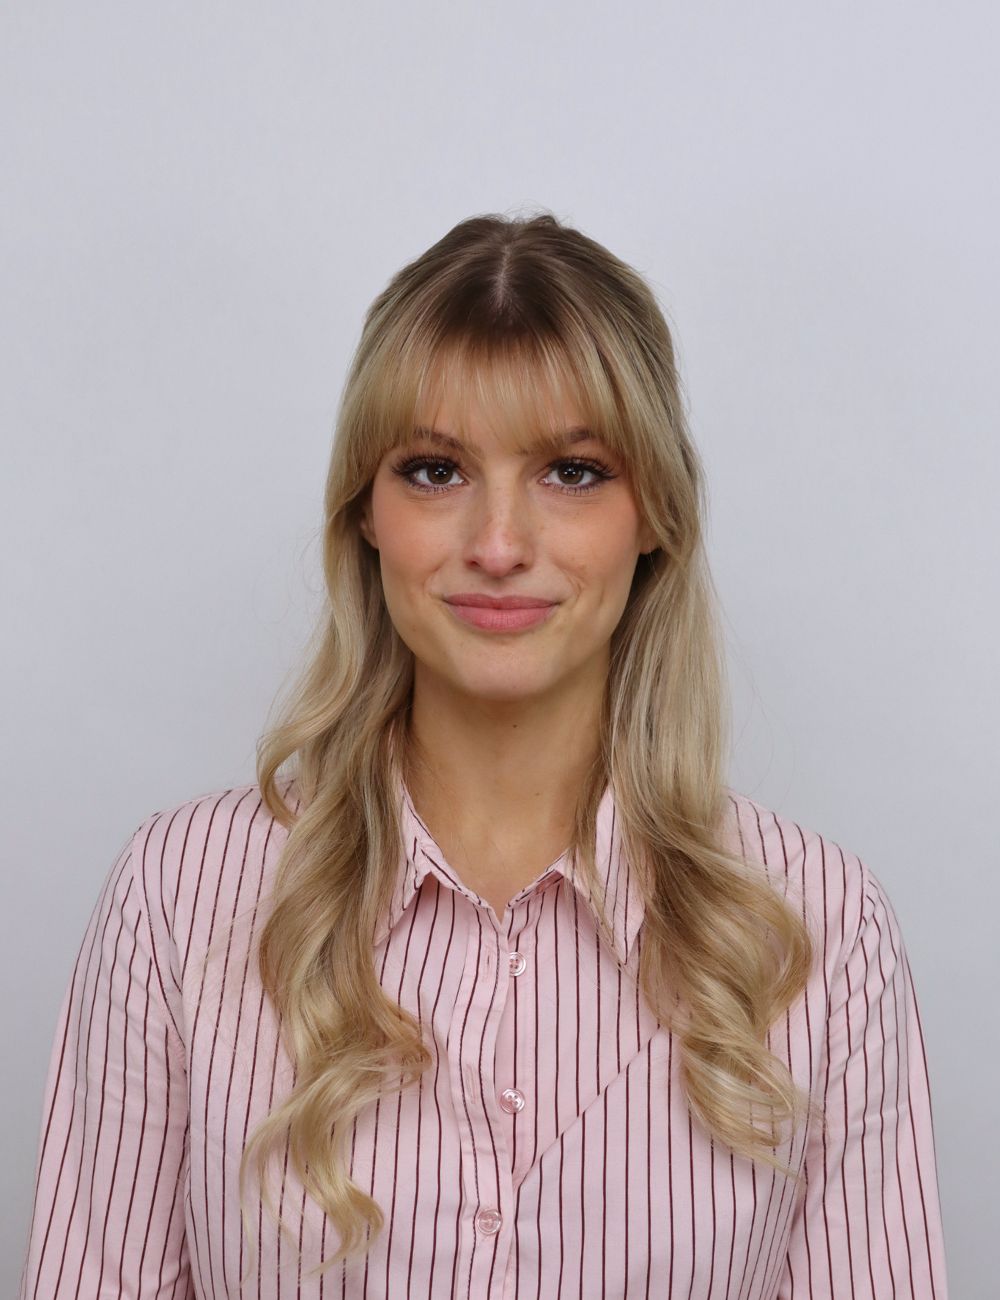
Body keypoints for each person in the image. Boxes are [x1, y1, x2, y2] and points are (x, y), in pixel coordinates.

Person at [18, 211, 949, 1299]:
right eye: (432, 469)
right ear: (364, 512)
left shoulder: (819, 932)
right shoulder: (178, 900)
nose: (498, 545)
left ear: (652, 513)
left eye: (570, 470)